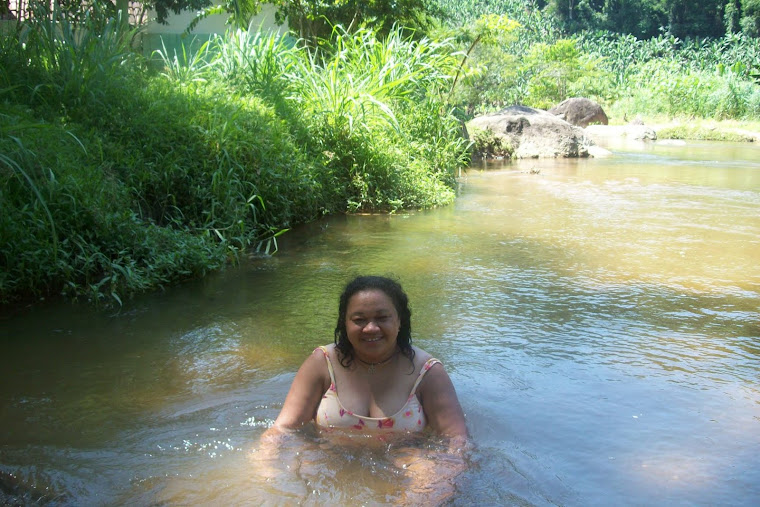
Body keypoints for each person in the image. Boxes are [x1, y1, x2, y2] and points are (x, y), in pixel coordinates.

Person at [253, 275, 469, 502]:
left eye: (382, 317)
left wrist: (440, 482)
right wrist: (267, 472)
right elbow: (283, 428)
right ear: (344, 323)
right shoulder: (322, 364)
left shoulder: (427, 372)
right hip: (327, 458)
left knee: (427, 482)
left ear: (400, 321)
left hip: (407, 460)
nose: (371, 328)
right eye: (359, 319)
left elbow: (456, 441)